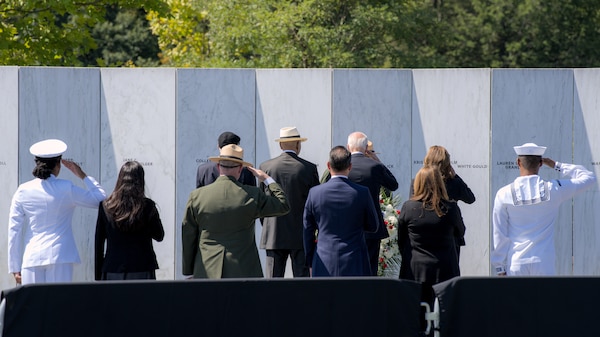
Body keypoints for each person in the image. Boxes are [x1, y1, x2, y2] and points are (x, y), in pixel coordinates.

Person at [182, 144, 290, 279]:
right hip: (243, 270)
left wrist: (189, 268)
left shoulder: (197, 196)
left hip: (206, 269)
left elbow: (188, 234)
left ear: (218, 167)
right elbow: (283, 204)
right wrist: (267, 179)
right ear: (240, 169)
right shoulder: (252, 195)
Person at [8, 139, 107, 285]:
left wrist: (14, 267)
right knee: (58, 305)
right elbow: (100, 200)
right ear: (58, 164)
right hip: (60, 256)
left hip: (32, 257)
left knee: (34, 306)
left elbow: (14, 230)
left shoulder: (23, 190)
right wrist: (82, 175)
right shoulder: (66, 187)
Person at [491, 143, 596, 276]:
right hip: (544, 260)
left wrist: (499, 267)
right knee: (546, 297)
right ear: (541, 163)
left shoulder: (503, 193)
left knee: (517, 297)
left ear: (518, 162)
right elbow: (589, 177)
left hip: (516, 261)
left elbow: (499, 233)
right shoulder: (554, 189)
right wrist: (556, 165)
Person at [303, 146, 379, 277]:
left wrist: (310, 260)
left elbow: (307, 230)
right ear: (350, 166)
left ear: (328, 165)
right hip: (355, 259)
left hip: (323, 259)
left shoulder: (315, 193)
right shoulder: (362, 193)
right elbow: (373, 226)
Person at [398, 166, 464, 310]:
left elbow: (401, 239)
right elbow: (460, 233)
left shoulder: (408, 207)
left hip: (415, 270)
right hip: (445, 268)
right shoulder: (451, 208)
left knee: (416, 315)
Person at [259, 127, 319, 278]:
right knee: (302, 285)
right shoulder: (309, 168)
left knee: (272, 284)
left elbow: (261, 203)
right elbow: (315, 204)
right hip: (300, 233)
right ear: (298, 144)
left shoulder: (266, 167)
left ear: (280, 145)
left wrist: (267, 223)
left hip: (274, 233)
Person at [338, 132, 398, 276]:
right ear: (366, 148)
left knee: (348, 270)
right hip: (372, 227)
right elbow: (393, 184)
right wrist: (377, 160)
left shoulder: (341, 166)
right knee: (370, 271)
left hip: (347, 228)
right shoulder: (375, 166)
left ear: (348, 147)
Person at [95, 161, 165, 281]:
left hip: (113, 268)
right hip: (142, 268)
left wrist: (98, 275)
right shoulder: (147, 206)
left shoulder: (106, 206)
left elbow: (99, 242)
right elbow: (159, 235)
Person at [421, 145, 475, 259]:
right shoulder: (453, 182)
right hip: (450, 233)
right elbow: (470, 198)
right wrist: (455, 176)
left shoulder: (421, 181)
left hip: (426, 232)